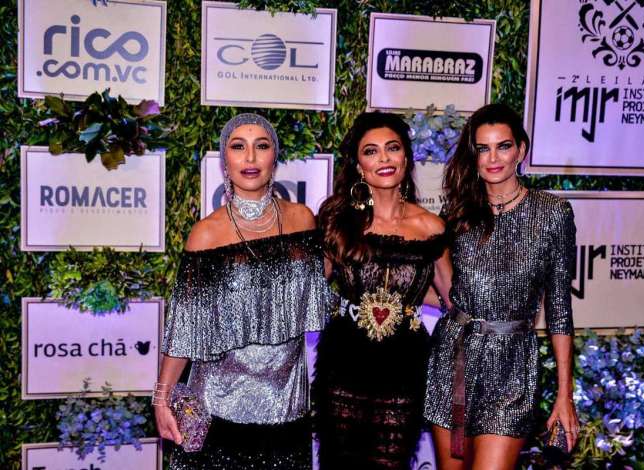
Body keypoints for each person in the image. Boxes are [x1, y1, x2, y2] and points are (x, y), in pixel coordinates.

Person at [153, 113, 328, 470]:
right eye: (238, 146)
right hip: (219, 409)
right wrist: (161, 397)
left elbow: (314, 290)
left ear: (274, 157)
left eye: (261, 146)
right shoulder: (206, 234)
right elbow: (185, 329)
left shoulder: (302, 220)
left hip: (287, 407)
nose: (250, 157)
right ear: (225, 161)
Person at [424, 104, 579, 470]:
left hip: (512, 366)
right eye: (483, 148)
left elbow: (559, 309)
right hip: (454, 359)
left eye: (503, 146)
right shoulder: (457, 214)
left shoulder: (553, 213)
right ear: (473, 155)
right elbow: (446, 290)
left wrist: (565, 394)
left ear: (520, 150)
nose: (493, 158)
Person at [314, 111, 451, 469]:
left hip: (404, 367)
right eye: (371, 151)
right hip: (344, 362)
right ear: (359, 165)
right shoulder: (338, 219)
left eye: (392, 148)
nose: (384, 159)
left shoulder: (432, 227)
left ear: (406, 157)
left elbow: (454, 300)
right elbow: (310, 288)